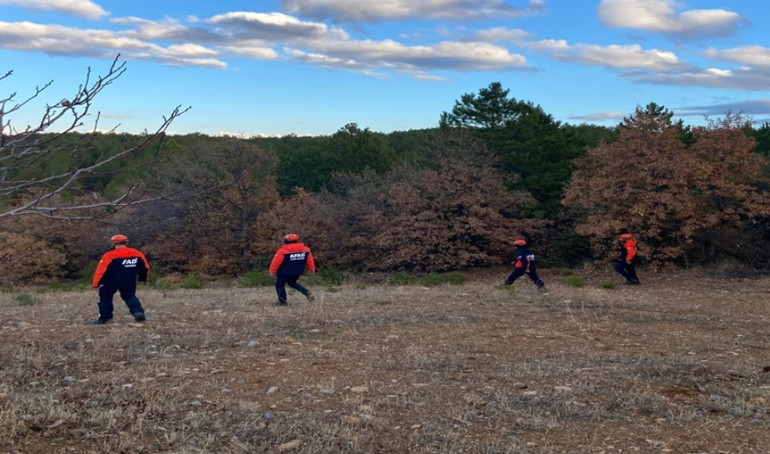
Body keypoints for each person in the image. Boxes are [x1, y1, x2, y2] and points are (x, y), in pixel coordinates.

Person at [91, 234, 150, 324]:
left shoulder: (109, 255)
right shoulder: (137, 253)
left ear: (113, 243)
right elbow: (145, 267)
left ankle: (105, 318)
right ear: (126, 242)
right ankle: (138, 312)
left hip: (110, 282)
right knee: (130, 296)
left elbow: (101, 271)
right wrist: (142, 278)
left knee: (105, 298)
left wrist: (96, 284)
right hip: (129, 280)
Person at [268, 233, 316, 306]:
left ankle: (282, 302)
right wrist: (312, 268)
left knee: (279, 285)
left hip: (284, 272)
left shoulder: (282, 251)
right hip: (297, 271)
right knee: (292, 282)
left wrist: (272, 271)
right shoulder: (306, 250)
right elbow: (309, 261)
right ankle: (307, 293)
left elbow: (276, 262)